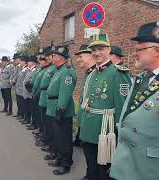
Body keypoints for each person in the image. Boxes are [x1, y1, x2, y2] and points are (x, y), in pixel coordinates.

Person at [110, 13, 159, 180]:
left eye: (139, 49)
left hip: (150, 169)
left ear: (157, 51)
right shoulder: (140, 78)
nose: (134, 54)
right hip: (125, 163)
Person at [79, 34, 132, 180]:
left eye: (101, 49)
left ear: (109, 49)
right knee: (92, 165)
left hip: (106, 131)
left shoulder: (118, 72)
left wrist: (120, 133)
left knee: (105, 171)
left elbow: (123, 106)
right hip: (89, 129)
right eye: (93, 50)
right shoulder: (91, 74)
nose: (96, 53)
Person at [46, 45, 77, 175]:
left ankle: (66, 163)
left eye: (53, 55)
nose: (51, 58)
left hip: (61, 109)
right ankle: (59, 157)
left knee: (64, 138)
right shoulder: (58, 70)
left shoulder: (67, 71)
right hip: (54, 106)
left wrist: (61, 108)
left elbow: (65, 92)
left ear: (60, 57)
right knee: (58, 136)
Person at [75, 44, 96, 180]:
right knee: (89, 156)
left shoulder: (97, 73)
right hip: (85, 120)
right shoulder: (89, 73)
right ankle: (90, 174)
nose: (78, 60)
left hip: (95, 124)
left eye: (81, 56)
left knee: (96, 158)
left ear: (90, 55)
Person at [23, 55, 39, 131]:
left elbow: (33, 82)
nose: (28, 62)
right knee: (30, 109)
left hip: (31, 92)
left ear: (34, 63)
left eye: (29, 61)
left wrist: (31, 92)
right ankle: (31, 122)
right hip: (28, 93)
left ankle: (34, 124)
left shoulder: (35, 70)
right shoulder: (29, 70)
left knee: (34, 110)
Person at [16, 56, 28, 123]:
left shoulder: (26, 69)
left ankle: (24, 116)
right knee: (20, 103)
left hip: (22, 90)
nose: (20, 62)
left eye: (21, 61)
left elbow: (25, 80)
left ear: (24, 62)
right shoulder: (21, 69)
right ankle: (21, 115)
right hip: (19, 89)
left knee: (23, 104)